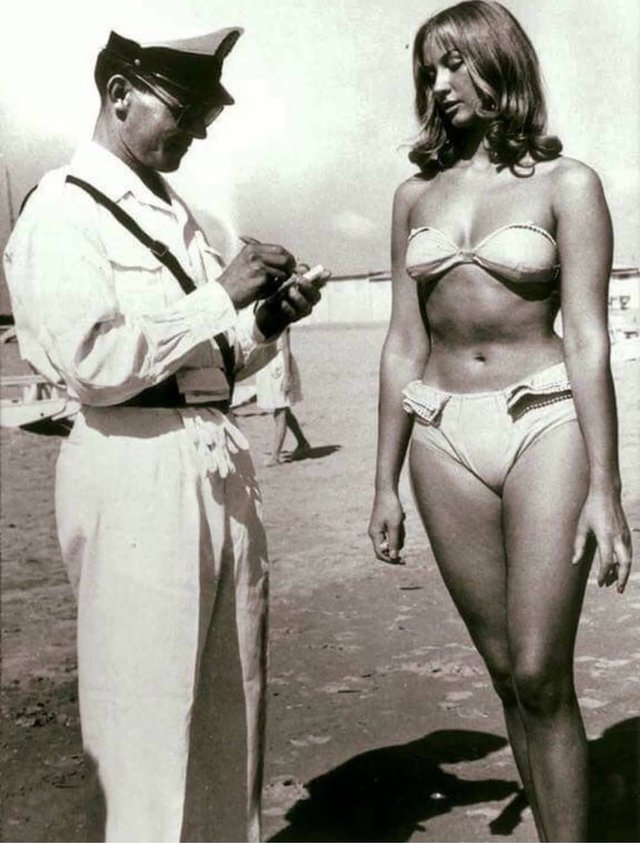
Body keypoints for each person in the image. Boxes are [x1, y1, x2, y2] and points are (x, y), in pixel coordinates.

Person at [4, 27, 328, 843]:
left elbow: (211, 361)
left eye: (205, 120)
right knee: (144, 716)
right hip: (132, 463)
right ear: (120, 95)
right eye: (184, 114)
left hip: (212, 455)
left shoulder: (174, 212)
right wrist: (221, 293)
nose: (197, 135)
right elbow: (95, 363)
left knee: (231, 701)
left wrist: (265, 320)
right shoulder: (63, 208)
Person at [368, 2, 633, 841]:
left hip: (545, 425)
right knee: (507, 676)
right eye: (429, 70)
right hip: (442, 435)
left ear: (499, 62)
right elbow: (403, 343)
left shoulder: (568, 184)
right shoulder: (415, 195)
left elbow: (587, 338)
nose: (439, 84)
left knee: (542, 671)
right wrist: (383, 482)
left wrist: (607, 488)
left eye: (455, 63)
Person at [255, 325, 311, 466]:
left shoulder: (281, 321)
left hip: (280, 367)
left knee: (280, 412)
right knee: (283, 409)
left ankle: (275, 456)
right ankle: (303, 443)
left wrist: (287, 375)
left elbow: (286, 348)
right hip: (268, 364)